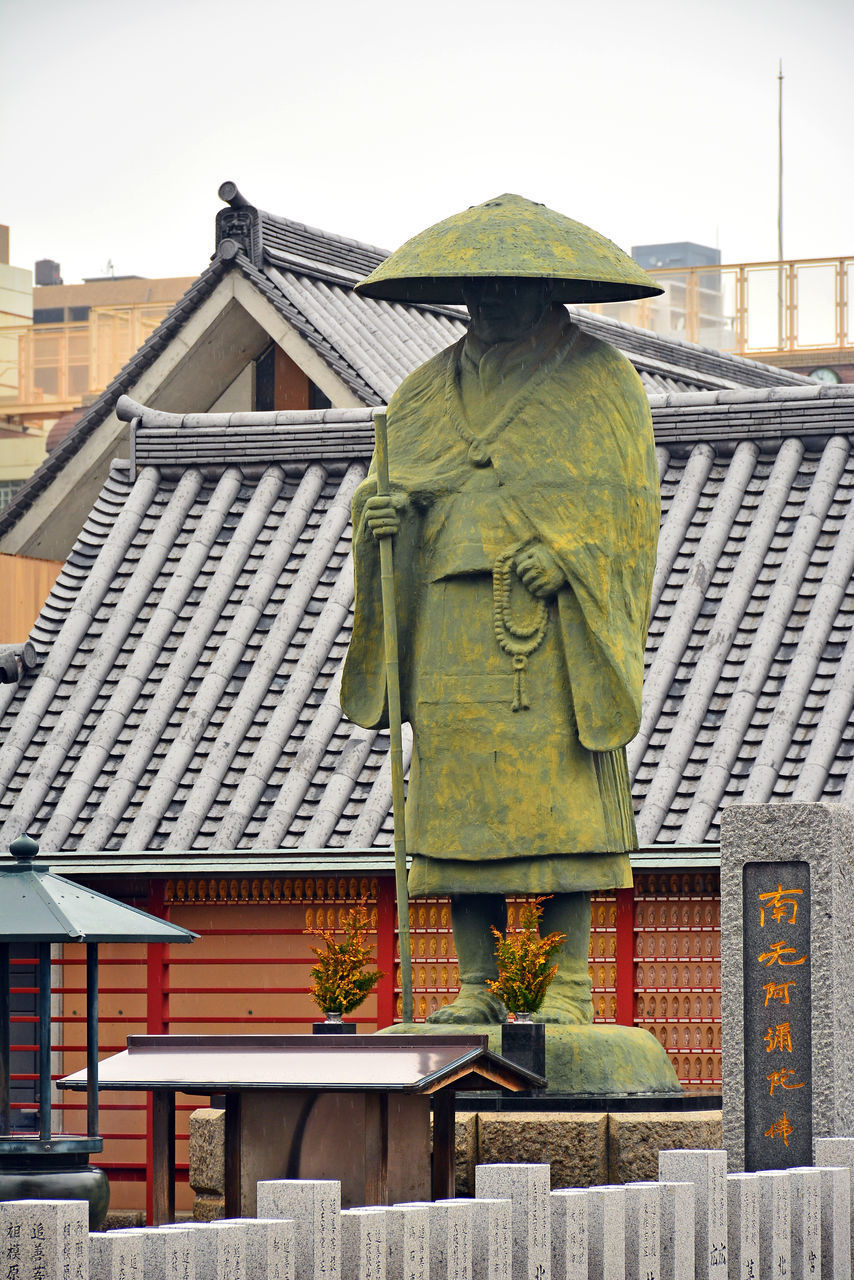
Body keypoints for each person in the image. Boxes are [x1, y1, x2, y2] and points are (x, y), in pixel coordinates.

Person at [341, 196, 661, 1023]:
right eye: (477, 288)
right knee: (456, 811)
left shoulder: (599, 380)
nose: (491, 300)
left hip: (554, 630)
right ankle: (474, 988)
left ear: (550, 290)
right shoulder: (420, 393)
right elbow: (397, 486)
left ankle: (570, 989)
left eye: (510, 285)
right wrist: (377, 515)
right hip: (450, 619)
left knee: (562, 807)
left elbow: (624, 512)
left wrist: (568, 557)